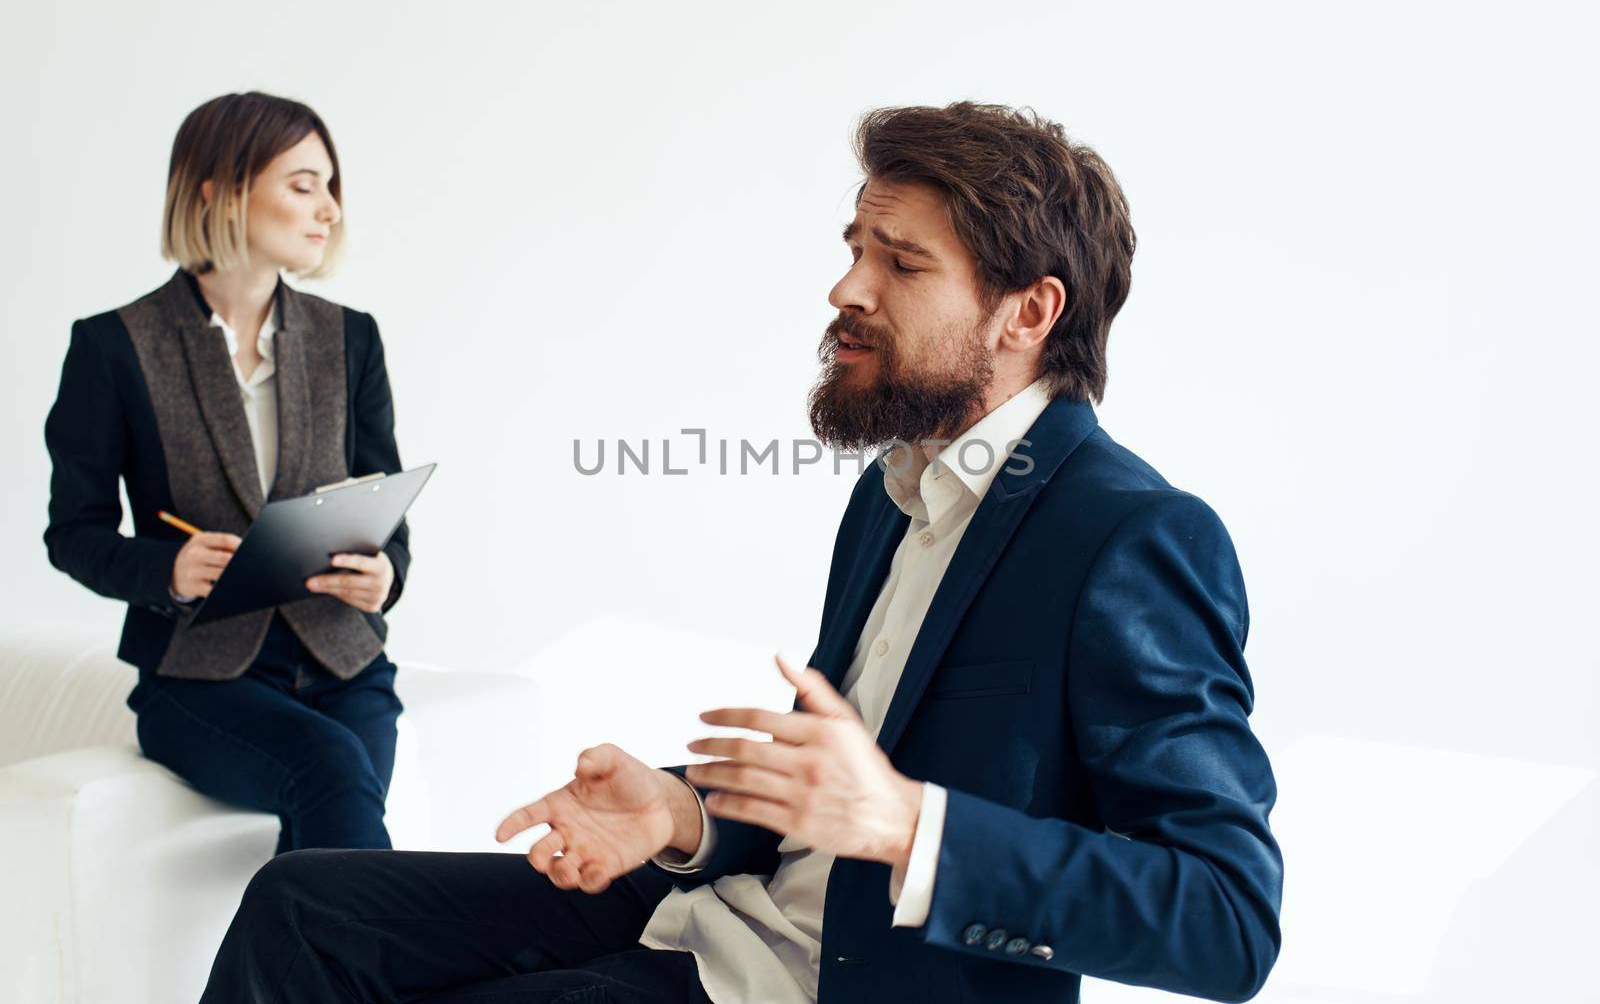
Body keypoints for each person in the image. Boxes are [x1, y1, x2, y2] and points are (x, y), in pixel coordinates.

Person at [201, 101, 1282, 1003]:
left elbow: (1226, 919)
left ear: (1027, 312)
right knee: (298, 904)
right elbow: (824, 793)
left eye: (900, 263)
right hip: (708, 904)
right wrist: (684, 816)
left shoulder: (1130, 536)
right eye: (855, 249)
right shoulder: (896, 489)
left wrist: (909, 824)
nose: (846, 290)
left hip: (828, 982)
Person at [43, 91, 412, 854]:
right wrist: (167, 570)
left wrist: (386, 577)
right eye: (304, 184)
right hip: (200, 677)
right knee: (333, 772)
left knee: (333, 830)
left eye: (331, 186)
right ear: (220, 190)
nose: (331, 209)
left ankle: (295, 978)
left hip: (344, 661)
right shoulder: (114, 347)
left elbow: (387, 511)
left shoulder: (350, 339)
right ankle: (375, 977)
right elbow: (72, 532)